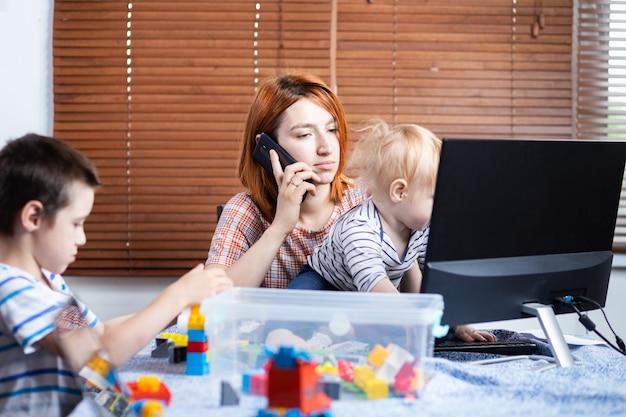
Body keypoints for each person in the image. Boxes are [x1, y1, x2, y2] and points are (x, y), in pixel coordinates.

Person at [0, 133, 233, 416]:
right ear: (33, 218)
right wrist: (178, 294)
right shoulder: (11, 289)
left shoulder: (47, 280)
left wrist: (176, 310)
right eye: (76, 224)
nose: (82, 238)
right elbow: (98, 355)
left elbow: (102, 333)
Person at [287, 119, 496, 343]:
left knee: (424, 330)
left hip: (359, 298)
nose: (442, 208)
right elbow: (374, 283)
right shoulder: (359, 229)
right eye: (434, 198)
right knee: (291, 312)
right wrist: (412, 316)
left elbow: (435, 281)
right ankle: (287, 334)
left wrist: (460, 322)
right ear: (399, 192)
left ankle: (340, 332)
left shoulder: (420, 227)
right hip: (326, 283)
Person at [205, 73, 368, 288]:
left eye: (332, 129)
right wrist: (279, 227)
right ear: (269, 146)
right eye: (304, 135)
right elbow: (209, 300)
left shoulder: (366, 201)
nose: (326, 148)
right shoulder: (245, 210)